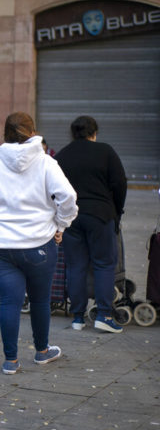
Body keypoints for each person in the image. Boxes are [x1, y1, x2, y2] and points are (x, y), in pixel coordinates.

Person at [0, 112, 78, 374]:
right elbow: (68, 196)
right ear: (33, 132)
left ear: (5, 134)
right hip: (40, 243)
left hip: (0, 247)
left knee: (9, 302)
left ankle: (11, 361)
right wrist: (61, 224)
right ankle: (42, 352)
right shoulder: (46, 163)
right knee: (40, 300)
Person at [56, 116, 127, 333]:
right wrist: (115, 211)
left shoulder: (62, 155)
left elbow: (53, 189)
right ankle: (104, 315)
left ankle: (78, 317)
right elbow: (120, 182)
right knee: (104, 264)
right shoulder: (105, 151)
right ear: (94, 133)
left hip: (71, 218)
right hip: (100, 215)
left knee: (75, 266)